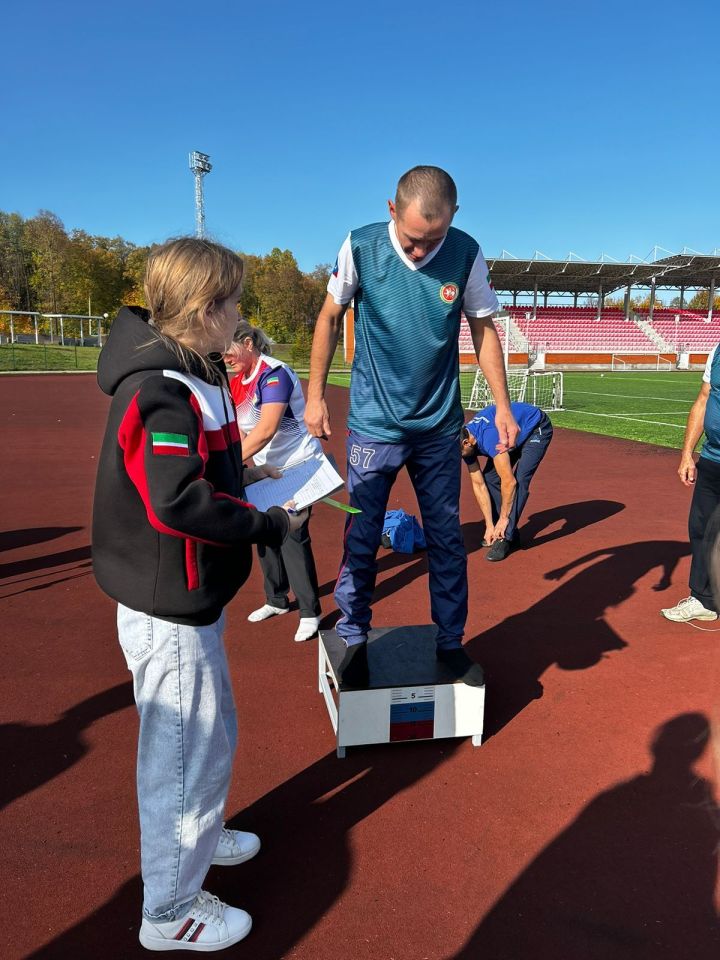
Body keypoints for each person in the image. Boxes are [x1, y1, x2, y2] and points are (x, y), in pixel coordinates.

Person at [91, 237, 306, 952]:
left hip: (186, 597)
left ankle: (200, 840)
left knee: (207, 739)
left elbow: (204, 476)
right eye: (235, 301)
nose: (241, 313)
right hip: (168, 604)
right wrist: (261, 524)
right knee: (183, 753)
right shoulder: (162, 387)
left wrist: (253, 487)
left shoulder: (191, 372)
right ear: (207, 310)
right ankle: (170, 910)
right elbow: (177, 502)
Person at [304, 165, 517, 686]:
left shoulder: (465, 252)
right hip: (374, 426)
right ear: (392, 211)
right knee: (361, 536)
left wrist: (504, 405)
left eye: (434, 240)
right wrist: (314, 395)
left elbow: (484, 330)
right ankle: (353, 637)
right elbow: (330, 317)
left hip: (439, 429)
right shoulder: (360, 246)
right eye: (413, 240)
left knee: (446, 539)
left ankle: (450, 642)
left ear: (454, 219)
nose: (422, 253)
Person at [225, 320, 323, 643]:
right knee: (264, 531)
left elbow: (266, 429)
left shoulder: (274, 374)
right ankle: (277, 599)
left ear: (249, 344)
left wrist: (229, 462)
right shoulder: (238, 380)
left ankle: (311, 612)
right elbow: (242, 431)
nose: (226, 356)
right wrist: (246, 462)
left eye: (230, 349)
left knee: (293, 535)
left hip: (298, 465)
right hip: (267, 467)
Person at [661, 344, 720, 623]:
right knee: (702, 529)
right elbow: (703, 399)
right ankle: (704, 600)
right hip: (711, 459)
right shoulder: (717, 351)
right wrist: (687, 454)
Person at [460, 400, 553, 561]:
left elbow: (510, 483)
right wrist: (489, 525)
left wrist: (503, 519)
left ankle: (505, 536)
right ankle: (503, 531)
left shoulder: (488, 439)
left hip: (535, 428)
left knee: (519, 479)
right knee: (490, 478)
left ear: (466, 442)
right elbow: (479, 484)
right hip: (510, 435)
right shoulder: (466, 446)